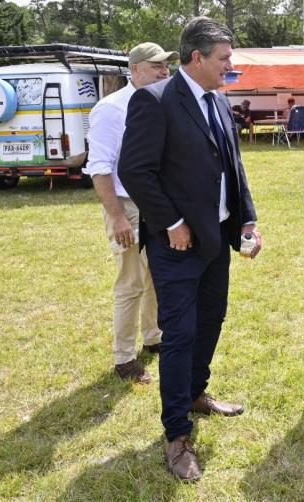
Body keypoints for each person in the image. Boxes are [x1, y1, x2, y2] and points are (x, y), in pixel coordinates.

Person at [119, 17, 262, 482]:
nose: (230, 66)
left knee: (211, 320)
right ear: (196, 58)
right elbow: (136, 171)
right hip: (177, 243)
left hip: (216, 239)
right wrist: (172, 223)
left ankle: (196, 393)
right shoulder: (153, 100)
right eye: (224, 59)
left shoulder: (218, 101)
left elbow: (233, 165)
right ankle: (177, 434)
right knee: (178, 335)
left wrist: (248, 219)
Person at [86, 42, 177, 383]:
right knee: (130, 282)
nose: (164, 70)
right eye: (156, 65)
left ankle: (153, 337)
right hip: (126, 206)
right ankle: (124, 359)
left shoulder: (160, 102)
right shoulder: (111, 109)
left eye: (166, 64)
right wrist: (118, 216)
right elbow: (99, 168)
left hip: (154, 205)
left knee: (155, 276)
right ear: (135, 69)